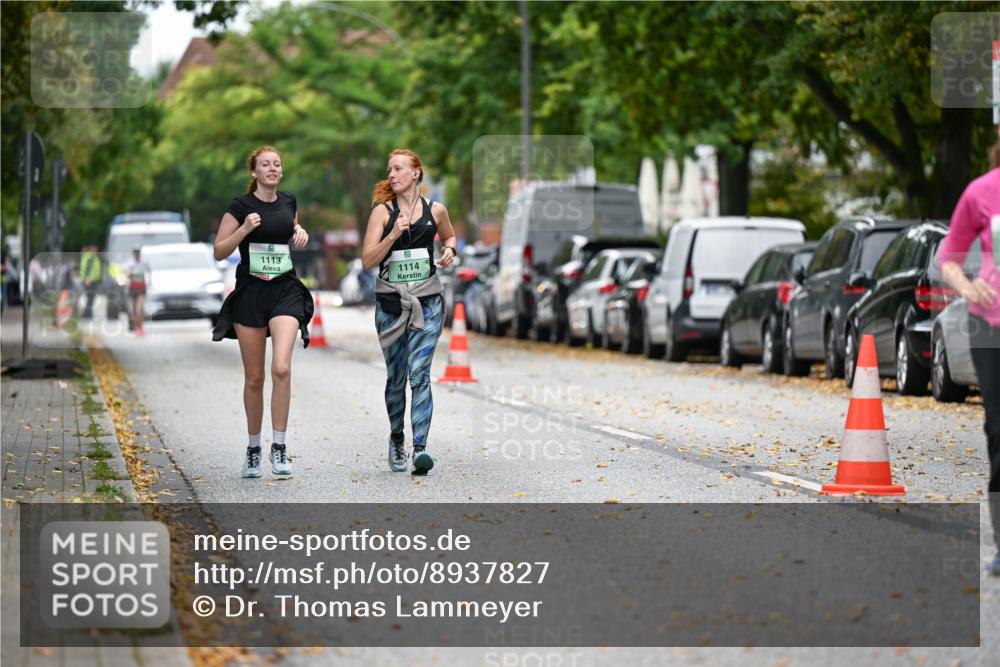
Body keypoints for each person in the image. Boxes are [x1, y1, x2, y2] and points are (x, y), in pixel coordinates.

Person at [212, 146, 312, 479]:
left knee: (281, 368)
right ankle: (253, 448)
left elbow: (291, 228)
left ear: (281, 171)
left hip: (285, 291)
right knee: (255, 378)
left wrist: (300, 231)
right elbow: (219, 251)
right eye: (265, 164)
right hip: (251, 294)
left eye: (277, 164)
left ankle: (279, 446)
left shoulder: (289, 202)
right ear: (253, 172)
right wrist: (243, 230)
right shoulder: (240, 207)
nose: (272, 168)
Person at [361, 149, 458, 474]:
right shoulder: (382, 213)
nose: (392, 174)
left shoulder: (436, 210)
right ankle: (397, 437)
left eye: (399, 168)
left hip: (428, 301)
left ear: (416, 173)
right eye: (389, 169)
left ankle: (420, 449)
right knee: (396, 378)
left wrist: (450, 249)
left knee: (419, 374)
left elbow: (450, 235)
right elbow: (367, 260)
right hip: (391, 304)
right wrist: (393, 234)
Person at [938, 136, 1000, 575]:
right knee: (999, 430)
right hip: (990, 326)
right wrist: (966, 286)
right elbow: (949, 257)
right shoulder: (981, 192)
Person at [124, 247, 150, 335]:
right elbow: (127, 273)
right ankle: (136, 327)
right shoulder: (130, 262)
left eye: (138, 252)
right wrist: (131, 275)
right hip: (133, 287)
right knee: (134, 309)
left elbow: (149, 271)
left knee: (141, 307)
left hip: (142, 287)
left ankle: (141, 326)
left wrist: (148, 282)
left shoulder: (144, 262)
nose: (136, 254)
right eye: (135, 252)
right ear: (133, 253)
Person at [79, 245, 101, 319]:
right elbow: (88, 268)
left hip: (93, 281)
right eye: (95, 250)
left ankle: (87, 313)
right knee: (90, 297)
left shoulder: (92, 257)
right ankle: (87, 314)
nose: (96, 251)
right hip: (90, 281)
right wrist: (87, 277)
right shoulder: (91, 257)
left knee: (90, 298)